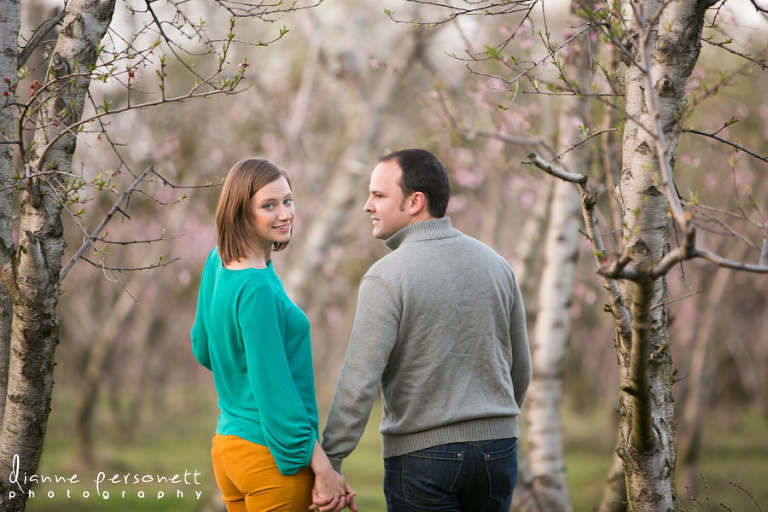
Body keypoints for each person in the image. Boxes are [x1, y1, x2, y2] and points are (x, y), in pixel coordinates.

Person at [321, 148, 532, 512]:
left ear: (415, 201)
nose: (367, 206)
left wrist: (331, 461)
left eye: (379, 195)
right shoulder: (497, 265)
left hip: (424, 457)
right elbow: (521, 368)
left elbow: (359, 382)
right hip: (499, 453)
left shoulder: (386, 276)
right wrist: (494, 424)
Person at [191, 158, 356, 512]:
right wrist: (322, 467)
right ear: (241, 213)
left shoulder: (217, 260)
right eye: (269, 205)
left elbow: (204, 348)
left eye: (287, 201)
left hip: (228, 447)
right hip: (270, 458)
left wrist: (238, 371)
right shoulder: (256, 289)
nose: (285, 214)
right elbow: (275, 391)